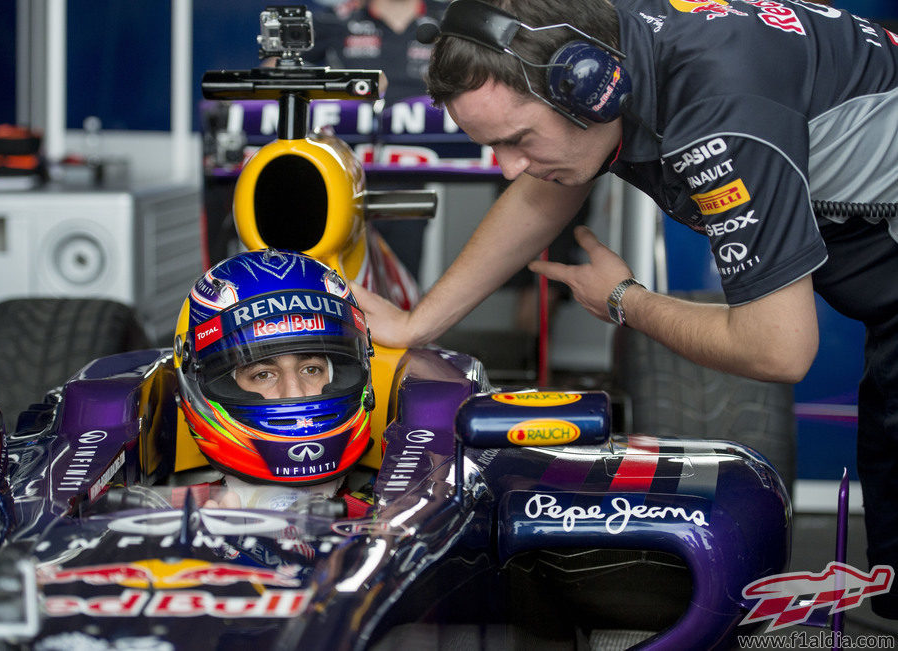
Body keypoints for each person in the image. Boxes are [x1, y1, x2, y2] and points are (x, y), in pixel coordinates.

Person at [348, 0, 898, 617]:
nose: (509, 170)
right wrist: (418, 323)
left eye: (517, 140)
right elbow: (545, 186)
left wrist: (623, 300)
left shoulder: (716, 113)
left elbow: (779, 347)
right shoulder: (605, 46)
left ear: (590, 88)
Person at [174, 248, 375, 510]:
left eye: (311, 369)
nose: (294, 393)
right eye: (263, 374)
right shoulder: (172, 514)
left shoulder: (398, 501)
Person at [308, 0, 447, 281]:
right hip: (343, 171)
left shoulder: (448, 18)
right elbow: (276, 73)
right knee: (335, 274)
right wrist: (339, 83)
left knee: (404, 276)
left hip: (413, 170)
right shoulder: (338, 18)